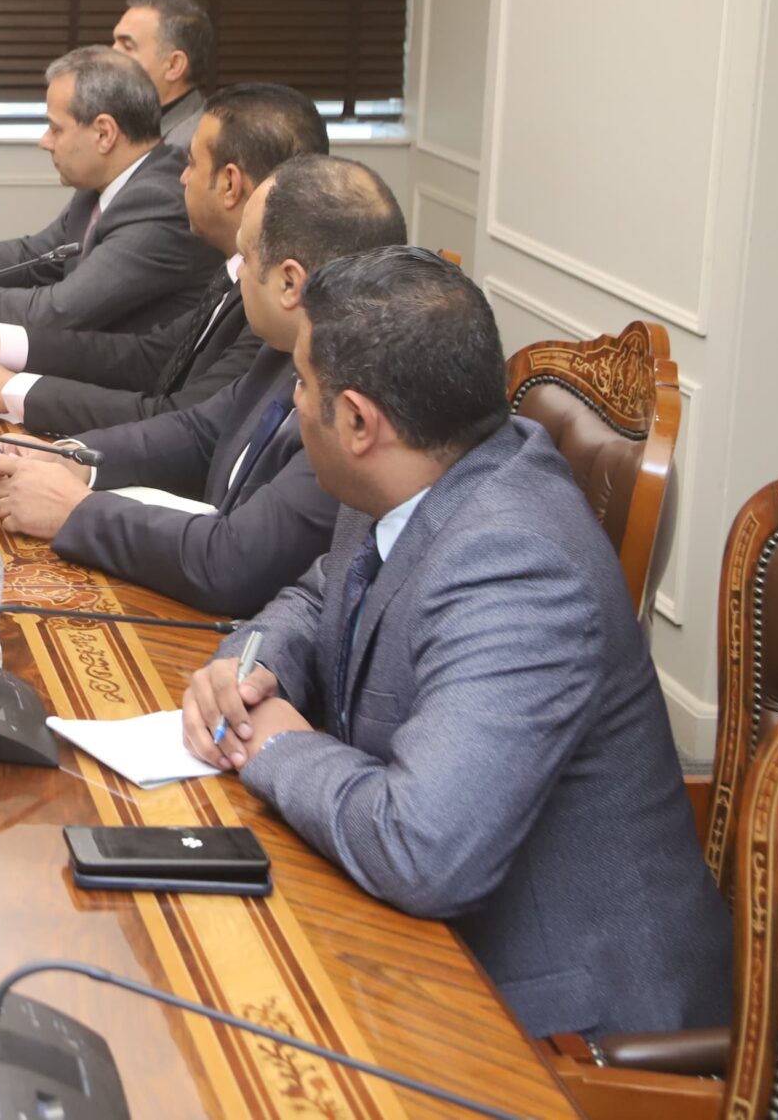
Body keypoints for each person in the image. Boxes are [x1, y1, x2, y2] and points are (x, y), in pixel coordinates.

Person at [180, 248, 733, 1041]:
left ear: (359, 423)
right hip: (423, 937)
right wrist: (250, 666)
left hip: (562, 1028)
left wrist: (271, 744)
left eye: (301, 383)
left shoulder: (517, 562)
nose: (294, 402)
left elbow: (422, 847)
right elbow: (319, 593)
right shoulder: (412, 468)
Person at [0, 155, 405, 615]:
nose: (235, 273)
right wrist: (74, 458)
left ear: (290, 283)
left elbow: (233, 563)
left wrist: (73, 510)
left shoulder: (354, 405)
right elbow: (200, 432)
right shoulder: (287, 348)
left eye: (246, 258)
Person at [0, 82, 324, 435]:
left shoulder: (279, 300)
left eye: (191, 163)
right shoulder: (236, 268)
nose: (182, 177)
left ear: (230, 184)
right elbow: (150, 356)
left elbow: (182, 421)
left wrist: (11, 389)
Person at [0, 46, 220, 335]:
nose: (44, 141)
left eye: (55, 128)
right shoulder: (104, 183)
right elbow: (36, 256)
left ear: (104, 134)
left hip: (125, 379)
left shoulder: (159, 202)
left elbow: (60, 311)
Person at [111, 0, 214, 147]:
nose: (110, 56)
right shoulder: (121, 121)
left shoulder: (196, 145)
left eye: (127, 46)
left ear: (173, 65)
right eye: (114, 44)